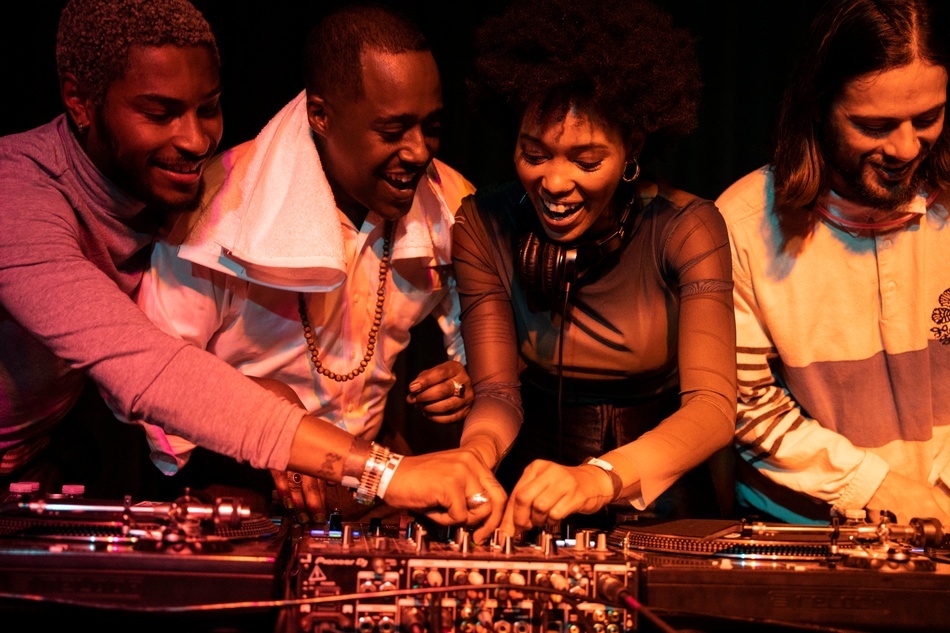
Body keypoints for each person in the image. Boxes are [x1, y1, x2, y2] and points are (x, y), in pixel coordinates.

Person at [0, 0, 504, 541]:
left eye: (208, 108)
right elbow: (145, 371)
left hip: (35, 468)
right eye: (159, 113)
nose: (196, 141)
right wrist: (385, 472)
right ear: (79, 99)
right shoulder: (16, 197)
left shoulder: (169, 192)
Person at [453, 0, 737, 536]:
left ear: (633, 147)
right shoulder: (481, 224)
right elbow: (496, 394)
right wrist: (476, 456)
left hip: (662, 491)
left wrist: (600, 477)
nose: (555, 184)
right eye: (534, 155)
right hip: (534, 481)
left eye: (586, 162)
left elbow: (713, 407)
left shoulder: (689, 227)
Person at [716, 0, 950, 526]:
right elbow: (743, 403)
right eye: (875, 125)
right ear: (818, 108)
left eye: (928, 118)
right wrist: (875, 486)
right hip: (806, 533)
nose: (907, 147)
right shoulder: (742, 224)